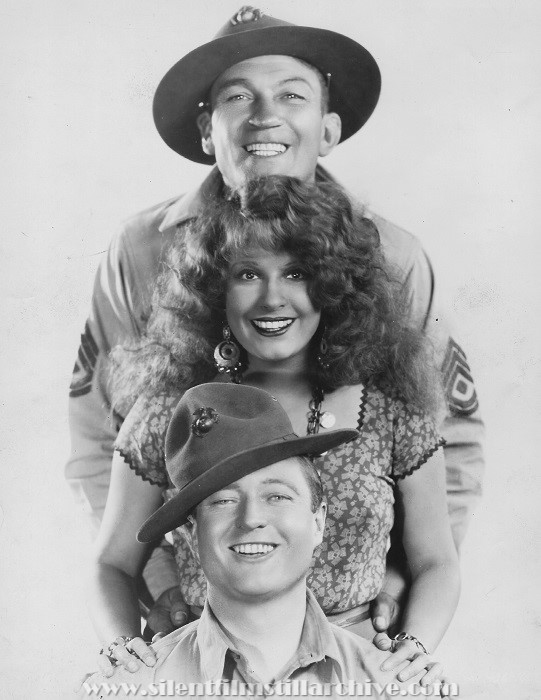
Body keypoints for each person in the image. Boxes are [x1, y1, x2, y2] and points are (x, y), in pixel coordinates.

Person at [68, 5, 482, 636]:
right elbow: (103, 435)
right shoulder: (140, 250)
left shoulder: (395, 256)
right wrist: (158, 585)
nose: (265, 116)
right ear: (207, 127)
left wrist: (399, 575)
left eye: (292, 95)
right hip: (197, 613)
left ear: (329, 128)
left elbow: (449, 439)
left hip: (355, 621)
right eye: (239, 96)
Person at [88, 176, 459, 684]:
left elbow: (438, 559)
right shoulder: (167, 415)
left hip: (355, 673)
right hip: (209, 671)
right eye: (247, 275)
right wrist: (123, 651)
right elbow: (111, 563)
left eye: (297, 273)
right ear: (215, 291)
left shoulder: (394, 416)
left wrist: (411, 651)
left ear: (333, 286)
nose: (271, 298)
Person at [80, 382, 448, 699]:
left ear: (318, 522)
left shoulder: (398, 687)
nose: (252, 518)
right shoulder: (131, 688)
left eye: (278, 495)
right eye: (223, 500)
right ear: (191, 534)